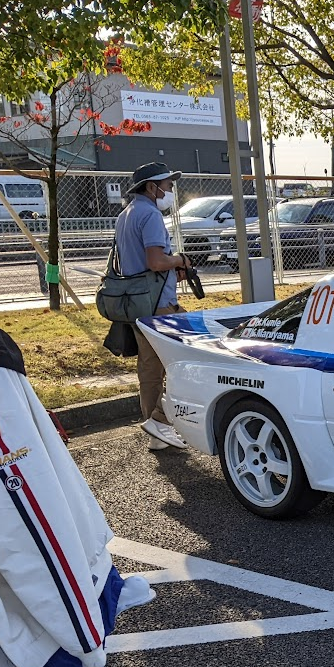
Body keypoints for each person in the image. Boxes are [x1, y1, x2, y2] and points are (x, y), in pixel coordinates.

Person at [115, 162, 191, 451]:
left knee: (150, 368)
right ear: (151, 187)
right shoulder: (150, 214)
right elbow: (156, 261)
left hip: (136, 303)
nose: (170, 190)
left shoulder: (125, 215)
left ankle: (156, 433)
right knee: (188, 359)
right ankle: (160, 420)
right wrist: (179, 260)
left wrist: (171, 270)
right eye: (168, 185)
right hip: (160, 304)